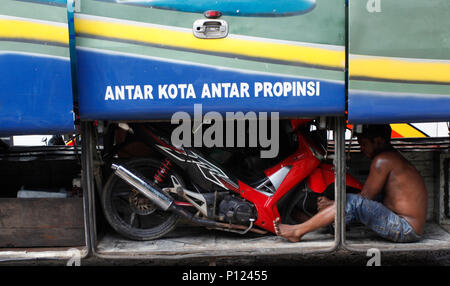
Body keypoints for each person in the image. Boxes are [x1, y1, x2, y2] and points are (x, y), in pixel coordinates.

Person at [274, 124, 428, 243]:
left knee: (353, 203)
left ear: (379, 141)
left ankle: (298, 231)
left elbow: (365, 199)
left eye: (363, 144)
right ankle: (314, 223)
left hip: (406, 229)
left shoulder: (383, 160)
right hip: (405, 225)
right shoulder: (392, 157)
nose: (361, 149)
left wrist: (332, 203)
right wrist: (334, 205)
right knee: (350, 206)